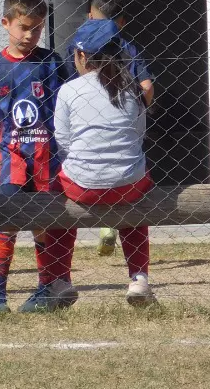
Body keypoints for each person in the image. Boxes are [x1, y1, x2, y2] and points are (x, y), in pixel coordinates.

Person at [0, 0, 76, 314]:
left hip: (47, 158)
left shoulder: (52, 63)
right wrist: (7, 142)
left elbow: (66, 104)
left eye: (37, 28)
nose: (29, 34)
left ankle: (46, 290)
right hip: (12, 161)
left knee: (44, 223)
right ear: (6, 23)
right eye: (23, 27)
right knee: (8, 221)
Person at [54, 18, 155, 309]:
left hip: (82, 188)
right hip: (129, 187)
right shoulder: (133, 88)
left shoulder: (69, 90)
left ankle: (60, 279)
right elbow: (138, 135)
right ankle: (138, 278)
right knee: (137, 196)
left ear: (82, 56)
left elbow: (63, 142)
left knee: (56, 199)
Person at [85, 0, 154, 258]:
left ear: (89, 17)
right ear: (122, 22)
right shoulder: (128, 48)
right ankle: (116, 229)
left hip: (90, 126)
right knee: (127, 175)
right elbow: (146, 87)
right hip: (124, 126)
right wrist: (137, 112)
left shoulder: (79, 48)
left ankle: (104, 223)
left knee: (97, 170)